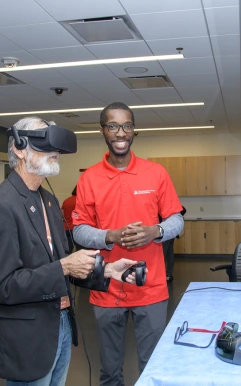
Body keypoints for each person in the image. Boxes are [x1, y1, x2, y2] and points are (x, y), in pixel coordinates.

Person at [0, 116, 140, 386]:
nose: (56, 153)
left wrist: (107, 270)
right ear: (19, 148)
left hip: (61, 324)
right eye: (45, 144)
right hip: (28, 334)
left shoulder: (48, 200)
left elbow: (65, 262)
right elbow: (2, 286)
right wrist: (64, 267)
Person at [73, 102, 184, 386]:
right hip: (107, 288)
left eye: (127, 126)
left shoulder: (155, 173)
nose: (120, 132)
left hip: (151, 288)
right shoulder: (89, 178)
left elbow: (177, 220)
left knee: (154, 368)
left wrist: (155, 231)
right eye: (113, 126)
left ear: (134, 130)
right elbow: (79, 231)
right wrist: (109, 236)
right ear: (103, 131)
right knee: (110, 372)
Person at [161, 206, 186, 282]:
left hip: (166, 232)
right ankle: (168, 274)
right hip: (171, 232)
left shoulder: (167, 207)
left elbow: (183, 210)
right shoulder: (171, 206)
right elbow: (183, 210)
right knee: (170, 252)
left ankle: (162, 275)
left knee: (163, 254)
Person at [61, 185, 78, 252]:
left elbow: (61, 214)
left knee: (67, 250)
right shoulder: (80, 201)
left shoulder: (66, 200)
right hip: (75, 229)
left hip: (65, 228)